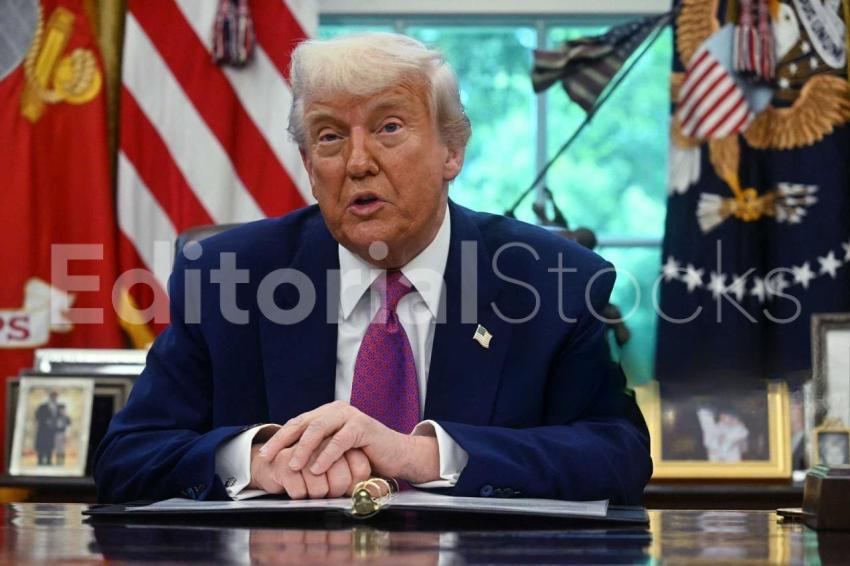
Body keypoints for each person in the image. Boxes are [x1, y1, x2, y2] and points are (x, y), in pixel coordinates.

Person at [95, 33, 652, 504]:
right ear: (310, 167)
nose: (358, 163)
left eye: (389, 127)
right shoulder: (227, 277)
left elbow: (618, 455)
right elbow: (126, 458)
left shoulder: (551, 280)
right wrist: (255, 459)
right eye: (331, 136)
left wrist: (420, 455)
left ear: (451, 152)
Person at [35, 391, 58, 465]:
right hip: (43, 430)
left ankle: (49, 460)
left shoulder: (57, 407)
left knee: (50, 446)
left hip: (52, 431)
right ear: (50, 397)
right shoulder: (43, 406)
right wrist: (45, 420)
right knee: (41, 445)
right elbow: (37, 415)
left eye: (55, 397)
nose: (54, 398)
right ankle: (40, 460)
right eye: (53, 397)